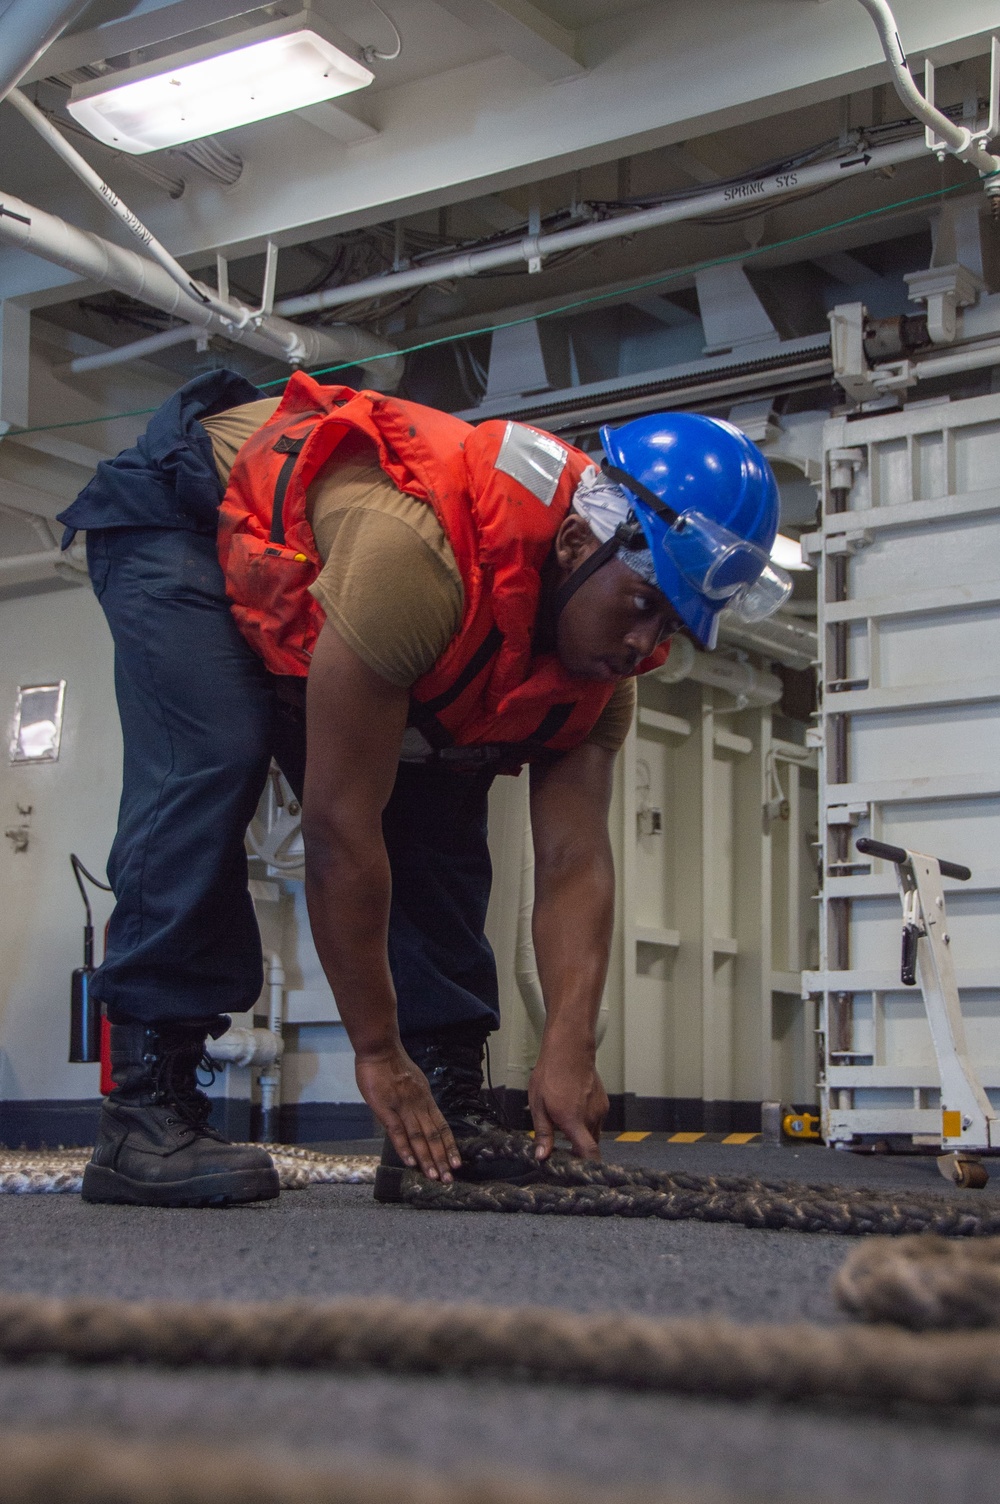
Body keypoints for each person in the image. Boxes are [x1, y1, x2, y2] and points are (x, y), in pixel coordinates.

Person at [57, 368, 787, 1207]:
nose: (644, 642)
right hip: (182, 512)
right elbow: (337, 829)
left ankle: (443, 1106)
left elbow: (574, 858)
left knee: (439, 792)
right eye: (643, 603)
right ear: (582, 544)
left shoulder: (605, 675)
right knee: (215, 750)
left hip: (316, 564)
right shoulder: (419, 564)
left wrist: (570, 1043)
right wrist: (375, 1052)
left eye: (672, 624)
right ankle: (145, 1108)